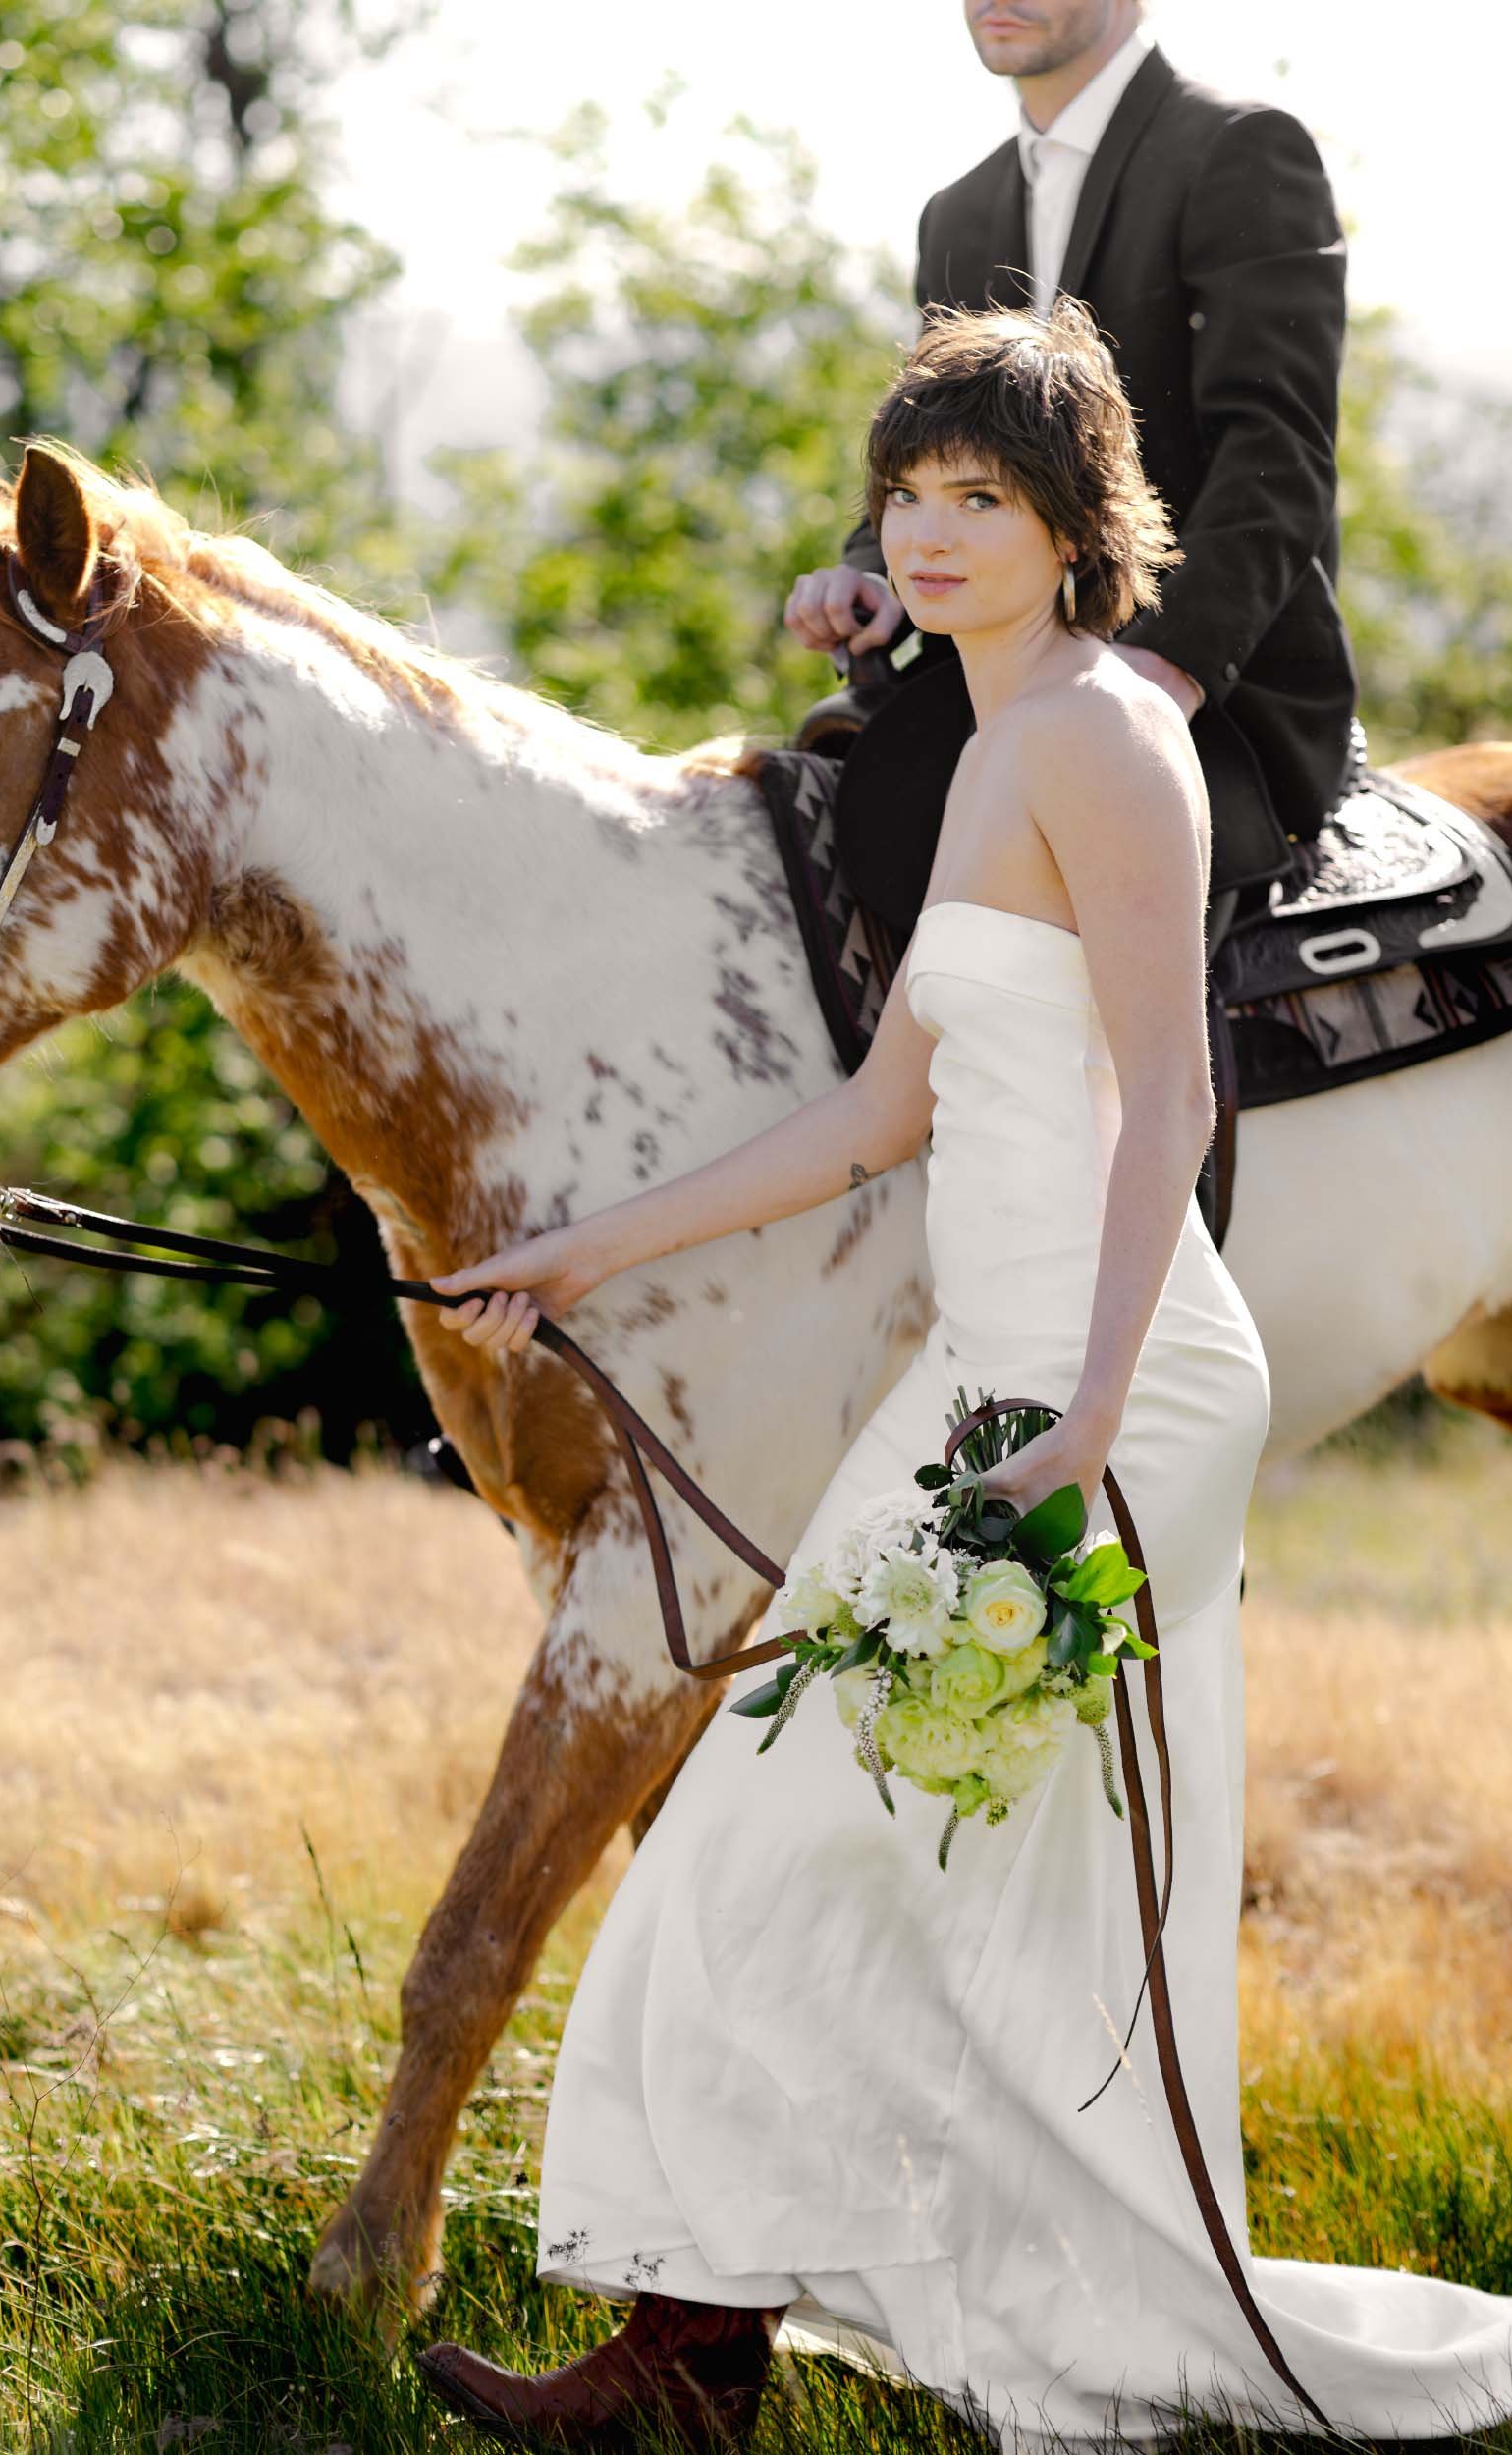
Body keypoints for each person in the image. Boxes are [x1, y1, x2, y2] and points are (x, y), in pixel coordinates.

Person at [408, 303, 1512, 2453]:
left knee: (808, 1853)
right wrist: (573, 1251)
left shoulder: (1101, 735)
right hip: (989, 1383)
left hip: (1099, 1393)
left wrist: (1089, 1414)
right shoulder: (994, 741)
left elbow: (1168, 1092)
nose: (924, 534)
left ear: (1068, 523)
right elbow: (866, 1122)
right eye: (908, 492)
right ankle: (696, 2358)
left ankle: (718, 2356)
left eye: (976, 498)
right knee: (812, 1858)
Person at [785, 0, 1360, 947]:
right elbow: (939, 450)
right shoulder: (957, 211)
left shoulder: (1241, 149)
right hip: (995, 683)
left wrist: (1156, 672)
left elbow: (1277, 452)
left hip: (1215, 688)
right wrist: (873, 572)